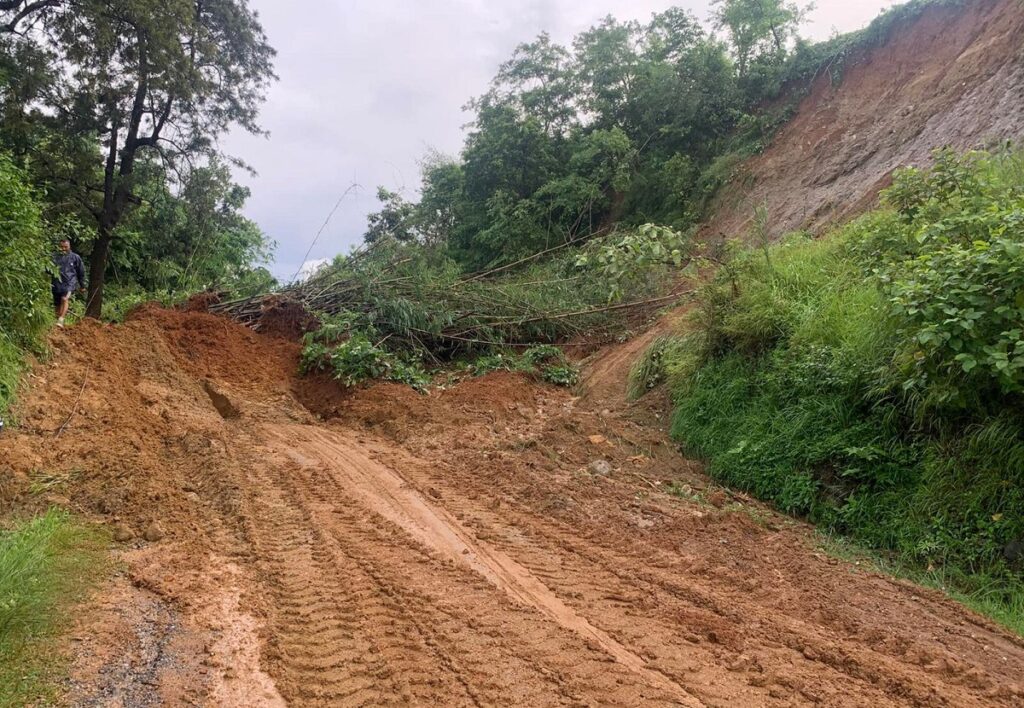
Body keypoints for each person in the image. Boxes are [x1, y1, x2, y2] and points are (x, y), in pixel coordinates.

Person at [52, 239, 86, 327]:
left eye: (65, 247)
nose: (63, 249)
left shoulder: (75, 257)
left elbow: (81, 272)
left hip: (69, 283)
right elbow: (49, 269)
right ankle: (58, 323)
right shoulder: (54, 257)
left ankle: (61, 319)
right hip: (56, 283)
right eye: (61, 247)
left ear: (69, 246)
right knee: (57, 304)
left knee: (65, 299)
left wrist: (82, 285)